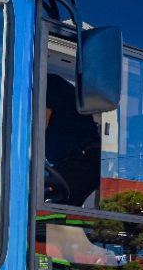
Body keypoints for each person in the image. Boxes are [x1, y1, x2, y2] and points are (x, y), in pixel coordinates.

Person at [43, 73, 100, 207]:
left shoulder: (48, 83)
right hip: (76, 159)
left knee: (46, 201)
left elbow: (40, 126)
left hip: (84, 158)